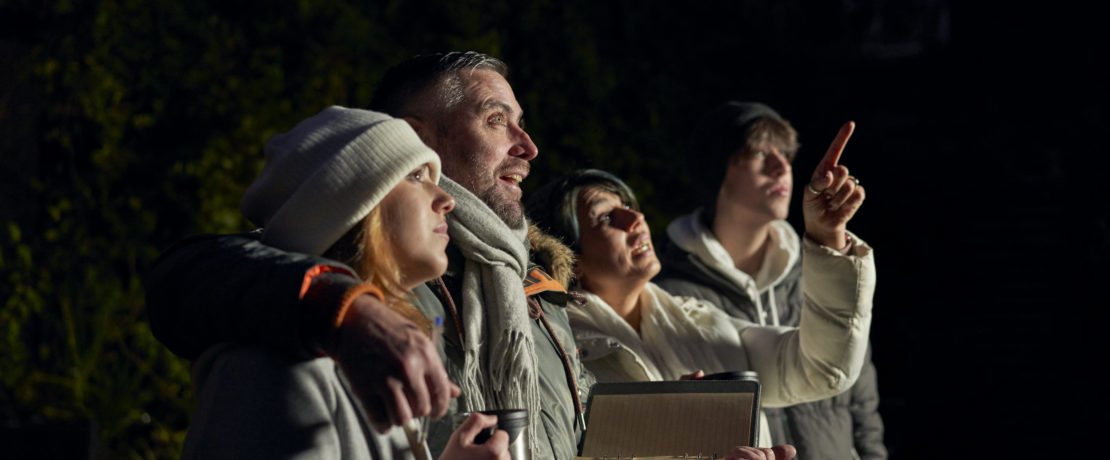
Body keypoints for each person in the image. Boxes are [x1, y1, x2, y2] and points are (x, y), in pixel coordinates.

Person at [145, 52, 591, 459]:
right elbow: (188, 276)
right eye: (496, 120)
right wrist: (344, 308)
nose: (528, 147)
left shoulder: (538, 291)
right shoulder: (308, 298)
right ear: (415, 138)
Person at [181, 106, 509, 459]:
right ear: (350, 206)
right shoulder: (275, 368)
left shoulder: (376, 361)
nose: (447, 200)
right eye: (416, 176)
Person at [525, 169, 875, 451]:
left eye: (628, 206)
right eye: (605, 217)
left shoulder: (698, 319)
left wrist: (827, 237)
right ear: (570, 257)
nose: (635, 218)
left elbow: (821, 367)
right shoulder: (557, 353)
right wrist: (674, 422)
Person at [654, 102, 886, 459]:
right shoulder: (671, 297)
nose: (782, 167)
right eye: (760, 152)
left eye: (786, 154)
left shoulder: (822, 271)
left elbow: (862, 402)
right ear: (716, 168)